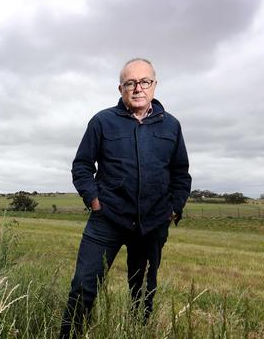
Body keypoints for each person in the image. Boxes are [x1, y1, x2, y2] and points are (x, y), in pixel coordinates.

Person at [59, 58, 191, 338]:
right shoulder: (102, 121)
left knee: (142, 292)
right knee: (83, 286)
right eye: (130, 83)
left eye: (144, 82)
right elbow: (82, 165)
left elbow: (181, 173)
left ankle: (136, 333)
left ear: (154, 85)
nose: (138, 88)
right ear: (121, 88)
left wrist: (173, 209)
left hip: (153, 223)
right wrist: (94, 200)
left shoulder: (171, 126)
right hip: (107, 218)